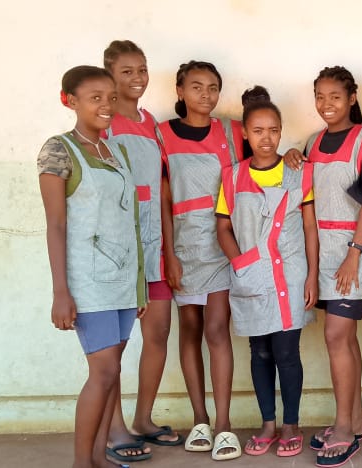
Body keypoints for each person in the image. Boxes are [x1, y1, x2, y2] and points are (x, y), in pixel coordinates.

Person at [38, 65, 146, 468]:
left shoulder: (114, 150)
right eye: (94, 97)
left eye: (110, 97)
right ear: (70, 100)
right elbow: (56, 224)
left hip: (120, 279)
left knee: (113, 372)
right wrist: (61, 292)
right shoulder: (59, 150)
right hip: (88, 282)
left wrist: (137, 287)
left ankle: (99, 458)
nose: (105, 105)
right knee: (102, 372)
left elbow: (126, 219)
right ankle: (82, 463)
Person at [214, 85, 318, 459]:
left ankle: (291, 423)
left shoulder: (298, 172)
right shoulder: (232, 176)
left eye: (273, 130)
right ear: (244, 133)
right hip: (251, 276)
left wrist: (311, 276)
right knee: (259, 351)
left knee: (287, 352)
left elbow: (309, 227)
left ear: (281, 130)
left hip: (291, 274)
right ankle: (268, 423)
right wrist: (239, 262)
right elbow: (223, 227)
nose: (266, 138)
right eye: (257, 131)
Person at [101, 40, 184, 463]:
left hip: (154, 245)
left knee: (158, 334)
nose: (137, 78)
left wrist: (168, 250)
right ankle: (113, 428)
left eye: (142, 69)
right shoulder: (105, 123)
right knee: (113, 344)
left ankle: (144, 419)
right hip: (119, 248)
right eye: (127, 71)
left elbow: (164, 190)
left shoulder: (152, 123)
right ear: (110, 74)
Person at [157, 60, 242, 461]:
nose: (205, 95)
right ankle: (200, 420)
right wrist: (169, 254)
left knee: (217, 329)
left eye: (212, 87)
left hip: (223, 242)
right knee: (188, 328)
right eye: (196, 87)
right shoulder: (162, 136)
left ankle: (225, 425)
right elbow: (164, 199)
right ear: (180, 91)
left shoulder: (231, 131)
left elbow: (261, 161)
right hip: (183, 249)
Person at [305, 66, 362, 468]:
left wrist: (355, 251)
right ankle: (354, 421)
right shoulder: (313, 142)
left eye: (335, 96)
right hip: (323, 251)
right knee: (344, 339)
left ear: (352, 98)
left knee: (337, 337)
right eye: (320, 96)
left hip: (354, 251)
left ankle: (342, 426)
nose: (326, 104)